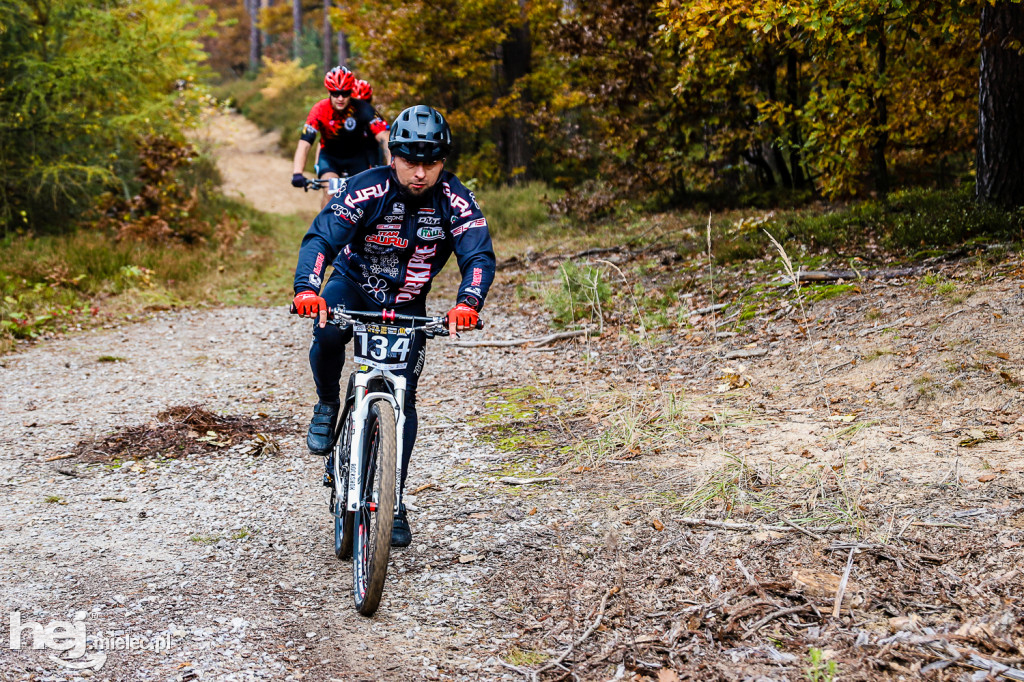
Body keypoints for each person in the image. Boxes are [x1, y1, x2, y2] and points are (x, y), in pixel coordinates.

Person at [291, 105, 495, 547]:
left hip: (408, 302)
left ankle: (393, 501)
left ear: (443, 161)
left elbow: (477, 255)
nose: (419, 172)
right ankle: (327, 403)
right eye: (410, 160)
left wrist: (468, 303)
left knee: (405, 395)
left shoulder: (456, 200)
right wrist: (307, 289)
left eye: (431, 162)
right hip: (352, 284)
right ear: (393, 156)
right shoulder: (366, 188)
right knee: (327, 331)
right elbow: (322, 237)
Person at [291, 66, 391, 209]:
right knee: (331, 191)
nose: (340, 98)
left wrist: (391, 166)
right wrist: (297, 172)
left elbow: (384, 137)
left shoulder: (362, 108)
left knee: (363, 197)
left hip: (357, 158)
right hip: (330, 158)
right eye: (335, 93)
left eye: (345, 93)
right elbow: (305, 143)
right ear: (329, 92)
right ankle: (326, 229)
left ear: (351, 91)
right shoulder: (319, 110)